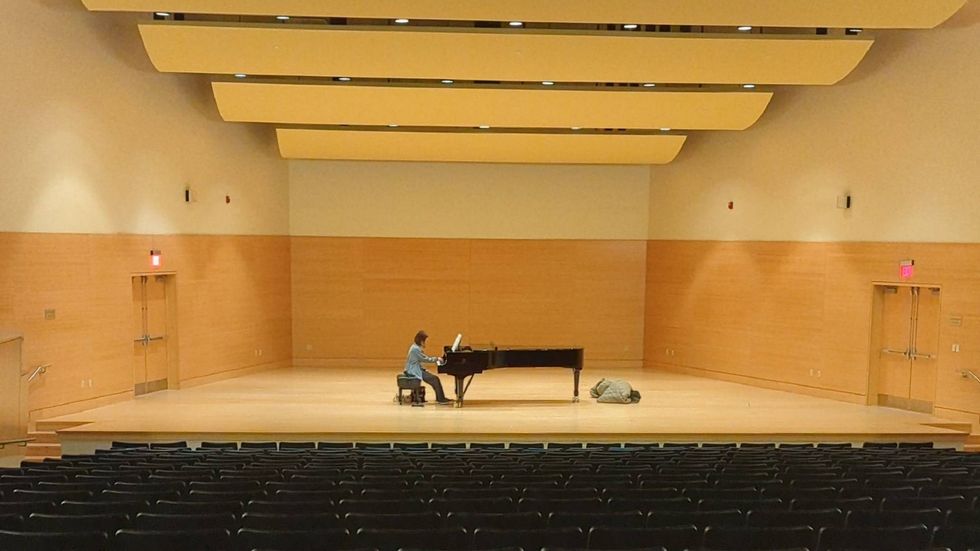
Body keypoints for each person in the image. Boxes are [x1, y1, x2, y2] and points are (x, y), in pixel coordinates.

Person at [404, 330, 453, 405]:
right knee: (435, 379)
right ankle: (440, 399)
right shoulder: (415, 349)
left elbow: (418, 360)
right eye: (425, 341)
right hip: (414, 371)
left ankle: (440, 397)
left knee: (434, 379)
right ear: (421, 341)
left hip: (416, 369)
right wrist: (437, 359)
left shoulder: (415, 347)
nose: (425, 343)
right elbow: (425, 359)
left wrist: (424, 369)